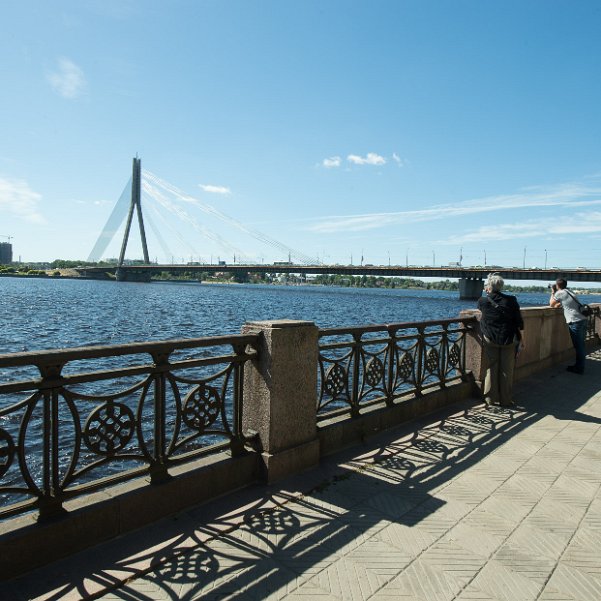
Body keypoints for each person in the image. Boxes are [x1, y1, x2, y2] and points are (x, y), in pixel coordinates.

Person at [477, 273, 525, 407]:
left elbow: (483, 311)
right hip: (508, 339)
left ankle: (489, 399)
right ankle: (506, 400)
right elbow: (519, 322)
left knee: (491, 368)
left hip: (490, 338)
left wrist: (488, 293)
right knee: (506, 370)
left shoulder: (483, 301)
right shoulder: (511, 300)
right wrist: (522, 339)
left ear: (489, 287)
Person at [549, 278, 587, 374]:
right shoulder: (569, 291)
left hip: (575, 321)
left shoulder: (560, 293)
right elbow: (564, 304)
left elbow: (551, 304)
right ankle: (579, 366)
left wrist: (553, 292)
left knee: (578, 346)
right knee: (581, 345)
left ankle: (579, 368)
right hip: (582, 319)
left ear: (557, 286)